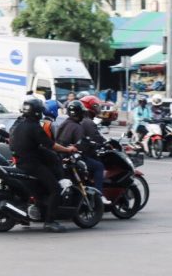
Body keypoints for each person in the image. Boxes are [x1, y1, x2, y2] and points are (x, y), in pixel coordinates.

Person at [9, 97, 73, 233]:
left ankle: (40, 208)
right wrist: (68, 150)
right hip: (32, 165)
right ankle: (50, 222)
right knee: (55, 189)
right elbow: (51, 144)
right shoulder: (34, 126)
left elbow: (32, 145)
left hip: (20, 162)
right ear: (37, 112)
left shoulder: (19, 125)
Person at [55, 100, 104, 199]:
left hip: (60, 157)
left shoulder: (64, 123)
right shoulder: (78, 127)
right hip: (71, 158)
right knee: (99, 166)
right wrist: (92, 146)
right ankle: (99, 195)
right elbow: (81, 145)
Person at [75, 96, 108, 197]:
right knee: (99, 166)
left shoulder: (81, 120)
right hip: (83, 153)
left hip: (77, 152)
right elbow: (96, 137)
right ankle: (99, 195)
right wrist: (106, 143)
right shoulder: (88, 122)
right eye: (95, 106)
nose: (97, 109)